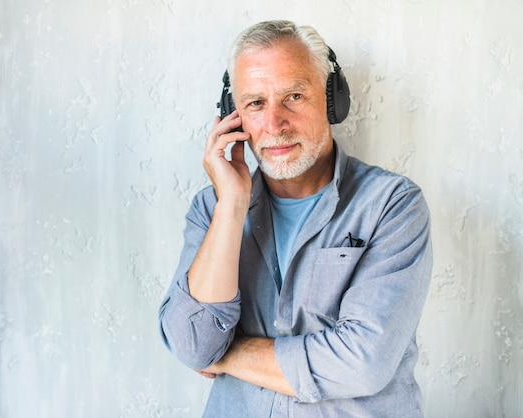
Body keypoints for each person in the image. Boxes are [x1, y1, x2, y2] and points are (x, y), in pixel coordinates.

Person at [158, 20, 432, 417]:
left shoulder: (392, 205)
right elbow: (192, 345)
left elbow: (363, 363)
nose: (274, 124)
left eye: (294, 96)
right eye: (255, 103)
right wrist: (233, 205)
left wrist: (228, 353)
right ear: (232, 117)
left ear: (332, 100)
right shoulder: (211, 209)